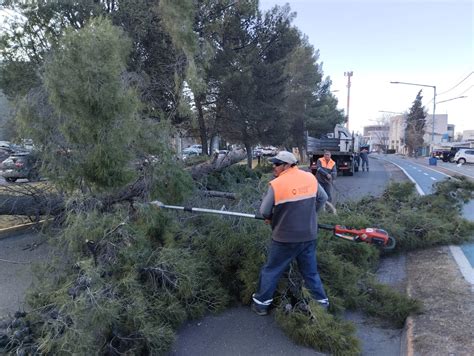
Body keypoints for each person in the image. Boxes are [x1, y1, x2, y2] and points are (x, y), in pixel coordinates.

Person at [251, 151, 329, 316]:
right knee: (310, 271)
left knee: (272, 270)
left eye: (277, 164)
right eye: (274, 164)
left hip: (284, 238)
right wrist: (311, 214)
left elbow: (264, 211)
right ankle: (321, 304)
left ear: (287, 165)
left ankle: (261, 304)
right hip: (309, 235)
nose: (274, 167)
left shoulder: (277, 184)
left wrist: (272, 217)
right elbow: (323, 198)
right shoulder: (310, 177)